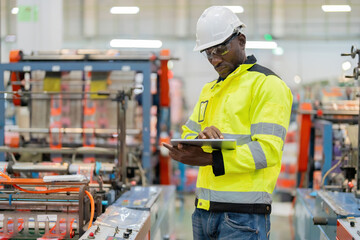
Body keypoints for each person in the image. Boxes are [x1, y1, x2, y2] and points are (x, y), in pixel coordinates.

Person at [163, 6, 293, 240]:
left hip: (243, 217)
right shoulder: (210, 90)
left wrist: (209, 158)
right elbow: (187, 136)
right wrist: (200, 139)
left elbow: (268, 151)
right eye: (208, 52)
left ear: (241, 40)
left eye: (221, 49)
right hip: (203, 212)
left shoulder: (267, 85)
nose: (214, 59)